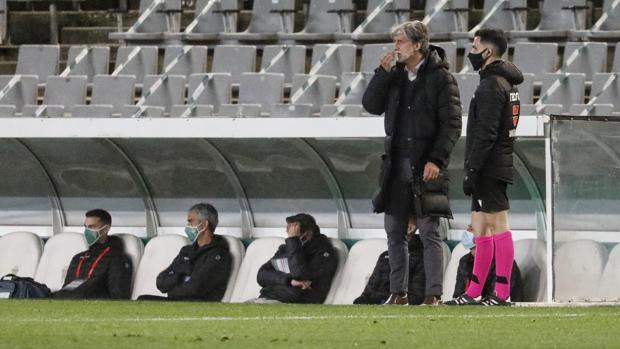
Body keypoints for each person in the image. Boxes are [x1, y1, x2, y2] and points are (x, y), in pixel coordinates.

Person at [362, 20, 462, 305]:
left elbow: (452, 124)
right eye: (395, 42)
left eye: (401, 42)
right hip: (395, 166)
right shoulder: (392, 75)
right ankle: (398, 292)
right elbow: (371, 105)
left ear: (418, 44)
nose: (396, 47)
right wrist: (380, 74)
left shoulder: (441, 78)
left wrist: (437, 160)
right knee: (394, 231)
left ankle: (433, 294)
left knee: (430, 231)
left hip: (427, 166)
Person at [445, 28, 523, 306]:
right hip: (493, 162)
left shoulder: (492, 85)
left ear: (487, 52)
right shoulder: (504, 83)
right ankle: (474, 291)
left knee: (498, 225)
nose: (472, 51)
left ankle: (502, 293)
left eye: (475, 46)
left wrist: (473, 169)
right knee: (480, 227)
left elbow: (487, 133)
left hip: (490, 165)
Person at [147, 203, 231, 301]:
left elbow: (195, 288)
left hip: (200, 306)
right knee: (143, 299)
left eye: (190, 222)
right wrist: (182, 276)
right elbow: (161, 281)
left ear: (204, 225)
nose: (187, 226)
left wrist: (172, 288)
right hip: (177, 302)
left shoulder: (218, 255)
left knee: (145, 301)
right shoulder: (186, 251)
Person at [253, 213, 338, 304]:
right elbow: (262, 274)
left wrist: (294, 240)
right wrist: (289, 280)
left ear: (308, 233)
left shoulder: (323, 253)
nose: (289, 234)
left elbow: (299, 273)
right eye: (288, 231)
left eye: (292, 232)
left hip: (295, 300)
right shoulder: (286, 249)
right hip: (269, 296)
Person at [53, 209, 132, 299]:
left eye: (91, 227)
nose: (87, 231)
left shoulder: (117, 259)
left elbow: (118, 296)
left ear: (106, 228)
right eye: (86, 227)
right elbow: (67, 289)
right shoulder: (78, 258)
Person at [354, 217, 426, 305]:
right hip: (377, 304)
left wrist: (391, 301)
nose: (390, 229)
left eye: (394, 225)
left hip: (397, 305)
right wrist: (362, 301)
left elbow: (417, 296)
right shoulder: (384, 256)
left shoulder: (420, 256)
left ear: (410, 228)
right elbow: (369, 291)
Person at [452, 227, 524, 302]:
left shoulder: (504, 263)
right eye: (471, 249)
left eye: (476, 247)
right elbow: (458, 293)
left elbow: (499, 297)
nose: (474, 252)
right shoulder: (466, 261)